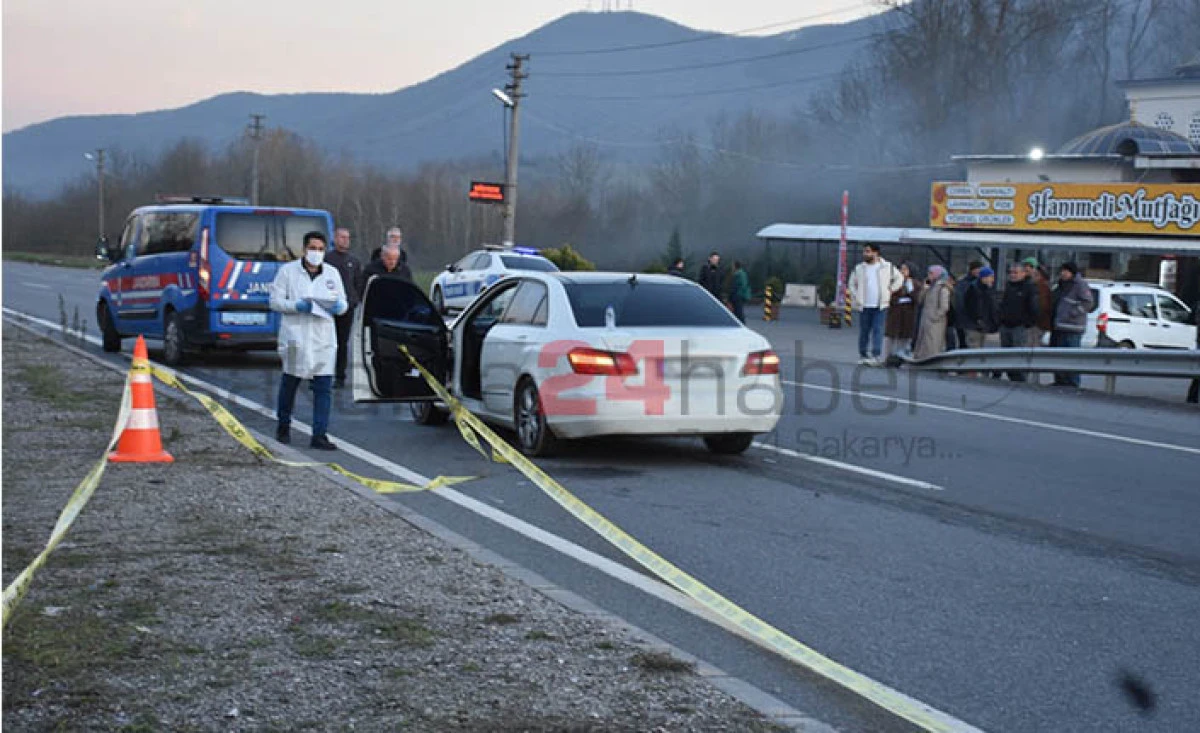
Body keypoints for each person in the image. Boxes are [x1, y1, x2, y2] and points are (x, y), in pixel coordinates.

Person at [269, 231, 348, 450]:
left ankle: (319, 434)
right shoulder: (288, 272)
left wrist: (339, 307)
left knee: (323, 388)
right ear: (304, 249)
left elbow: (343, 302)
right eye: (313, 248)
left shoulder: (332, 273)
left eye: (321, 249)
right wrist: (297, 305)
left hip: (323, 339)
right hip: (296, 336)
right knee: (290, 383)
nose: (317, 253)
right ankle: (283, 425)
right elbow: (275, 302)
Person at [847, 243, 904, 366]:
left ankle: (876, 355)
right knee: (864, 331)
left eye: (868, 251)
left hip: (880, 305)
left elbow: (899, 278)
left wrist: (891, 289)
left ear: (876, 253)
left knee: (878, 330)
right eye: (864, 251)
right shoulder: (859, 268)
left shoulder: (887, 267)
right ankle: (863, 354)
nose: (865, 254)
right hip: (864, 304)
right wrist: (856, 295)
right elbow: (851, 283)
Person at [324, 227, 363, 389]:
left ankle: (340, 376)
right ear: (335, 238)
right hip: (327, 307)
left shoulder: (354, 261)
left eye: (347, 237)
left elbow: (358, 283)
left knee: (342, 342)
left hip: (347, 308)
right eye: (342, 237)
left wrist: (354, 300)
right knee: (325, 342)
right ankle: (321, 375)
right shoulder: (326, 259)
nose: (345, 240)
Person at [1050, 261, 1093, 387]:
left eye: (1066, 271)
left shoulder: (1080, 285)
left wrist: (1073, 313)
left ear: (1072, 272)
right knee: (1058, 357)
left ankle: (1073, 383)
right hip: (1059, 326)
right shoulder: (1061, 285)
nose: (1063, 273)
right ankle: (1060, 381)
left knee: (1071, 357)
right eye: (1062, 271)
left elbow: (1088, 303)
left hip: (1073, 327)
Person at [997, 263, 1039, 381]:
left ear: (1023, 273)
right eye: (1011, 272)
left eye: (1016, 273)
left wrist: (1027, 322)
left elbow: (1034, 308)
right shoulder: (1009, 287)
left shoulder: (1029, 287)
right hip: (1006, 325)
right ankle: (1010, 375)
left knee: (1018, 353)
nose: (1013, 275)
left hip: (1020, 327)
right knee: (1005, 353)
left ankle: (1020, 377)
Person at [913, 265, 953, 361]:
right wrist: (924, 289)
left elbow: (944, 306)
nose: (928, 275)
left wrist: (935, 316)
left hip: (935, 321)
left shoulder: (942, 288)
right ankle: (921, 358)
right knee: (923, 341)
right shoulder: (930, 287)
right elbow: (920, 300)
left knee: (933, 342)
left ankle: (932, 360)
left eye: (931, 273)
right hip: (925, 319)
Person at [884, 262, 922, 363]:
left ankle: (902, 358)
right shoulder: (894, 282)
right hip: (895, 314)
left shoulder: (916, 284)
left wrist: (910, 289)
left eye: (905, 269)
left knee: (904, 338)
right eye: (901, 269)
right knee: (890, 337)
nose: (902, 271)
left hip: (907, 315)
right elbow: (889, 296)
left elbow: (917, 299)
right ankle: (887, 357)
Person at [963, 266, 999, 350]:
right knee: (974, 349)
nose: (993, 280)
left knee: (979, 349)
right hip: (975, 325)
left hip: (981, 325)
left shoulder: (985, 289)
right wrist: (978, 319)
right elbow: (972, 308)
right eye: (991, 277)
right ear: (984, 277)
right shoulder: (974, 289)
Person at [953, 260, 984, 351]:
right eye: (977, 269)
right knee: (966, 344)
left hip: (971, 320)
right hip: (964, 318)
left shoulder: (964, 283)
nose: (979, 272)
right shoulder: (965, 284)